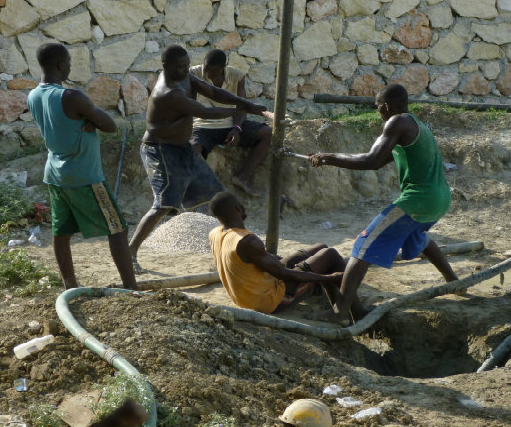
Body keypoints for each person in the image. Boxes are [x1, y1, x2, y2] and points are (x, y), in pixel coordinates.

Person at [309, 83, 460, 325]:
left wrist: (329, 157)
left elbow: (370, 160)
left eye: (378, 108)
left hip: (418, 200)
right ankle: (454, 281)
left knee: (363, 245)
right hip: (439, 199)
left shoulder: (396, 122)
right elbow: (379, 162)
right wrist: (329, 158)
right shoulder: (415, 125)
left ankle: (340, 312)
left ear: (387, 106)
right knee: (417, 237)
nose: (378, 113)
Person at [129, 44, 268, 273]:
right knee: (163, 204)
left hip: (182, 148)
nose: (185, 71)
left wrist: (246, 104)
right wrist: (243, 109)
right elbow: (206, 112)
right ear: (165, 67)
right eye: (180, 68)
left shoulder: (186, 77)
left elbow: (213, 92)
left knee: (219, 196)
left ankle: (242, 246)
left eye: (187, 66)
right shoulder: (168, 92)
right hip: (161, 151)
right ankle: (131, 250)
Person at [27, 42, 137, 290]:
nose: (69, 67)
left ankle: (70, 285)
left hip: (55, 173)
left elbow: (63, 123)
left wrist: (87, 118)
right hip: (84, 174)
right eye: (68, 62)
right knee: (117, 228)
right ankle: (131, 288)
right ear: (59, 65)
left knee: (61, 231)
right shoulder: (71, 96)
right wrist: (91, 118)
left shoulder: (33, 95)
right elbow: (110, 125)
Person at [208, 191, 365, 316]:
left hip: (247, 295)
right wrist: (328, 277)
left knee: (320, 247)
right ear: (237, 209)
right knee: (330, 254)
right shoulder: (248, 241)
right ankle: (350, 312)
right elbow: (284, 274)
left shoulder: (215, 233)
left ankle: (341, 305)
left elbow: (254, 262)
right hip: (268, 300)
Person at [190, 49, 272, 197]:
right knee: (194, 148)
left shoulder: (237, 76)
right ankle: (199, 191)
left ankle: (243, 177)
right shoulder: (193, 74)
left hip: (230, 123)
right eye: (206, 70)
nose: (208, 75)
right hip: (203, 125)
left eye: (213, 72)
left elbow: (241, 107)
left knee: (267, 133)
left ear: (224, 67)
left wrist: (237, 128)